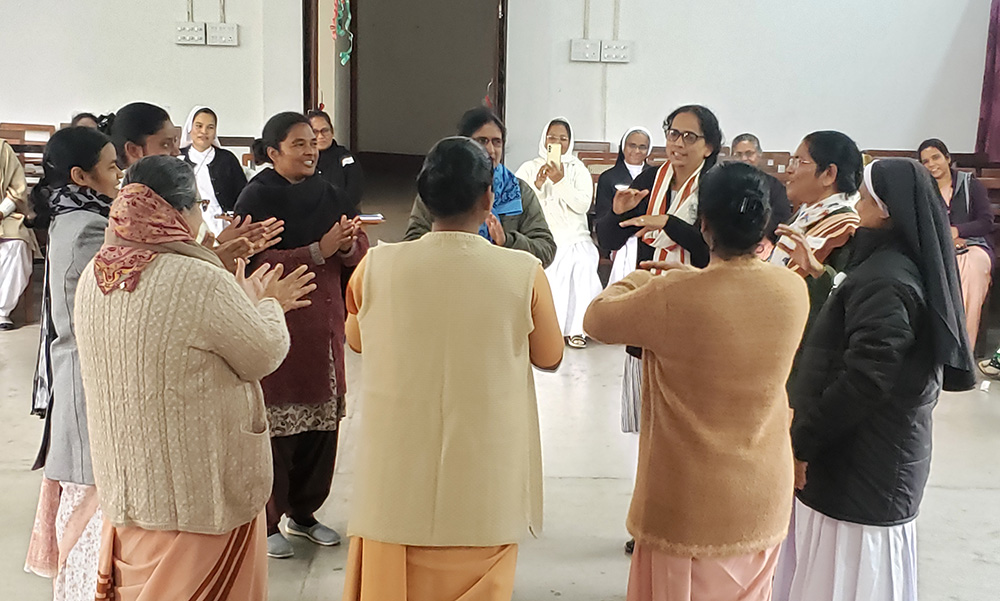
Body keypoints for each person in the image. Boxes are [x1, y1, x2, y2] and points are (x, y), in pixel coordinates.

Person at [74, 155, 315, 599]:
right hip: (199, 496)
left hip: (129, 485)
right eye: (199, 206)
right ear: (179, 212)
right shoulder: (197, 279)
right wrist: (268, 304)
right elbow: (262, 353)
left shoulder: (98, 274)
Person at [341, 136, 563, 601]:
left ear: (424, 197)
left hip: (395, 483)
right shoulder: (522, 272)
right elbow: (550, 355)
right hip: (485, 484)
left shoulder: (377, 265)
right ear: (488, 198)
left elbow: (358, 338)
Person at [584, 161, 810, 601]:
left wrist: (642, 277)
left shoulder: (670, 297)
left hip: (688, 508)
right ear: (764, 223)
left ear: (703, 225)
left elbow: (597, 319)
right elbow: (730, 298)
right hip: (763, 496)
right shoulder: (791, 290)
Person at [778, 159, 976, 601]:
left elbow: (867, 378)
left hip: (862, 463)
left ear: (887, 209)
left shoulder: (887, 277)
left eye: (866, 197)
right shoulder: (889, 265)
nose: (858, 203)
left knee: (846, 582)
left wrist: (804, 441)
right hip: (866, 458)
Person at [235, 111, 370, 559]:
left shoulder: (330, 193)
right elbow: (251, 264)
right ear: (272, 153)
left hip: (323, 324)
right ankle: (269, 518)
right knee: (278, 430)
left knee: (321, 427)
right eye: (298, 143)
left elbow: (355, 251)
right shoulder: (255, 197)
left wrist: (349, 245)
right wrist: (317, 250)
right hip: (278, 327)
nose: (311, 150)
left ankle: (305, 513)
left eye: (314, 142)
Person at [595, 106, 721, 555]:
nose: (678, 143)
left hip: (696, 316)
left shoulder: (715, 187)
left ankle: (689, 524)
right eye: (673, 133)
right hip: (651, 308)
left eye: (690, 137)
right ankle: (650, 522)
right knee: (653, 429)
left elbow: (710, 257)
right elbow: (611, 240)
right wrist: (615, 212)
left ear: (709, 146)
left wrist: (669, 223)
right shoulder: (654, 179)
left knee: (690, 431)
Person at [22, 127, 122, 601]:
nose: (120, 176)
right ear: (82, 176)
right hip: (86, 377)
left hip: (91, 373)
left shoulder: (83, 216)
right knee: (88, 510)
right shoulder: (87, 227)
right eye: (112, 166)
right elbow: (119, 296)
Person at [104, 102, 282, 272]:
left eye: (175, 141)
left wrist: (222, 244)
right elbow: (159, 273)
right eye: (166, 144)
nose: (176, 152)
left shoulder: (169, 190)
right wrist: (214, 258)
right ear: (134, 150)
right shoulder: (122, 208)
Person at [404, 107, 556, 268]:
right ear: (465, 144)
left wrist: (507, 241)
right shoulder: (440, 183)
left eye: (496, 142)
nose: (490, 150)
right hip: (447, 274)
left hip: (503, 281)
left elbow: (546, 250)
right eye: (482, 141)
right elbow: (412, 240)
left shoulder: (519, 191)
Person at [515, 117, 602, 348]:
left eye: (563, 138)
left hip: (575, 236)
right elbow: (520, 204)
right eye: (552, 137)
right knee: (550, 265)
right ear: (544, 139)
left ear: (570, 142)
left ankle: (578, 329)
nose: (557, 142)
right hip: (542, 235)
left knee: (583, 263)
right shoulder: (529, 167)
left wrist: (560, 180)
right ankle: (545, 329)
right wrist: (538, 184)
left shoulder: (578, 169)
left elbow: (583, 205)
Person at [769, 131, 862, 335]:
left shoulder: (847, 227)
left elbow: (848, 296)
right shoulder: (806, 214)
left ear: (829, 174)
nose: (789, 170)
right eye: (791, 161)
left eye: (799, 161)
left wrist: (818, 270)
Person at [917, 138, 993, 351]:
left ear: (948, 158)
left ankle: (962, 349)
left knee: (970, 272)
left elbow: (986, 221)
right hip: (938, 248)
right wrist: (945, 239)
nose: (931, 165)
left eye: (936, 158)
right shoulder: (923, 189)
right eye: (925, 161)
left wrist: (957, 231)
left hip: (974, 246)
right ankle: (937, 348)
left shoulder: (970, 184)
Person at [594, 127, 653, 286]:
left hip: (648, 235)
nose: (636, 151)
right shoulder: (608, 177)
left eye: (642, 147)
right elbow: (603, 214)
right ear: (623, 147)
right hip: (619, 236)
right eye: (632, 145)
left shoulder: (655, 176)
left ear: (649, 150)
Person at [179, 106, 249, 238]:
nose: (204, 132)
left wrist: (236, 217)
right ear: (190, 128)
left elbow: (243, 195)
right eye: (199, 126)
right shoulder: (178, 159)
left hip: (222, 225)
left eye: (210, 127)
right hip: (188, 225)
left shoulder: (227, 158)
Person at [731, 132, 792, 252]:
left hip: (764, 242)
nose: (744, 159)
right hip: (729, 243)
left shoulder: (774, 185)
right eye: (738, 155)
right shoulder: (724, 184)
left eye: (749, 154)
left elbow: (781, 216)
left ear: (759, 155)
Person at [0, 137, 35, 331]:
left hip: (3, 216)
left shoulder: (2, 150)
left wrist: (2, 212)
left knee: (17, 244)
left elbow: (16, 190)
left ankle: (2, 311)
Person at [307, 109, 364, 210]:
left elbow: (354, 194)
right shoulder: (301, 159)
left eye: (325, 130)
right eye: (315, 132)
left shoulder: (346, 159)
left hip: (340, 214)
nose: (320, 136)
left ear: (332, 131)